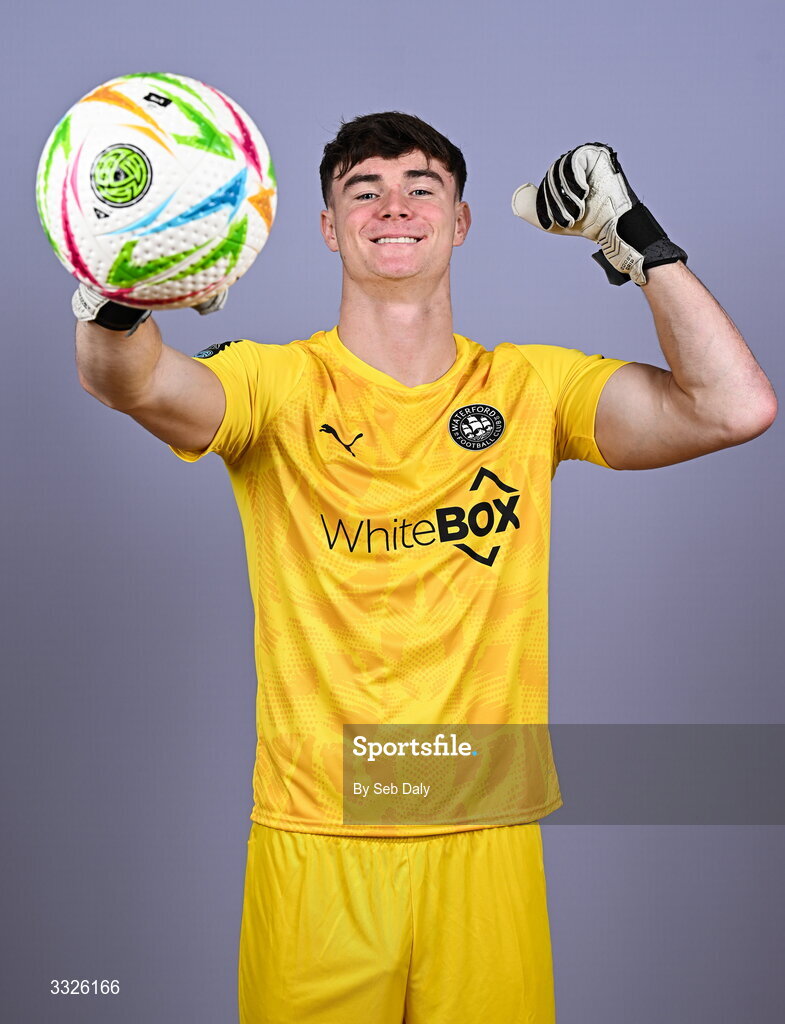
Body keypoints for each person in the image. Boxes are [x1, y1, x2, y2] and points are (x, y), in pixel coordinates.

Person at [73, 113, 777, 1023]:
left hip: (484, 836)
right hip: (320, 839)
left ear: (461, 221)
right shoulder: (273, 385)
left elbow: (733, 407)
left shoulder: (529, 389)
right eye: (363, 191)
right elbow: (128, 380)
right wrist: (121, 283)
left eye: (421, 188)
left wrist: (634, 240)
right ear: (329, 228)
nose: (393, 207)